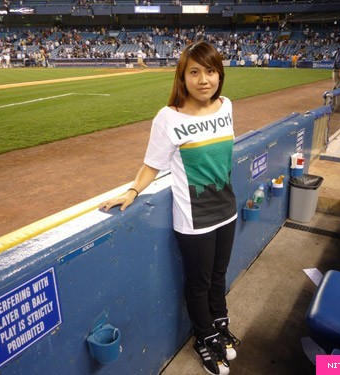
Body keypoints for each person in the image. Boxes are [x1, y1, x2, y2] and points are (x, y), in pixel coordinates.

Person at [100, 41, 239, 375]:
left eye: (210, 71)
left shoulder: (226, 106)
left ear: (219, 74)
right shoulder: (168, 117)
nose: (204, 79)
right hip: (195, 218)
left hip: (227, 208)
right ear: (182, 77)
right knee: (199, 282)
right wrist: (132, 190)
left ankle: (220, 324)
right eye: (194, 72)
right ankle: (203, 338)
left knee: (219, 275)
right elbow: (152, 164)